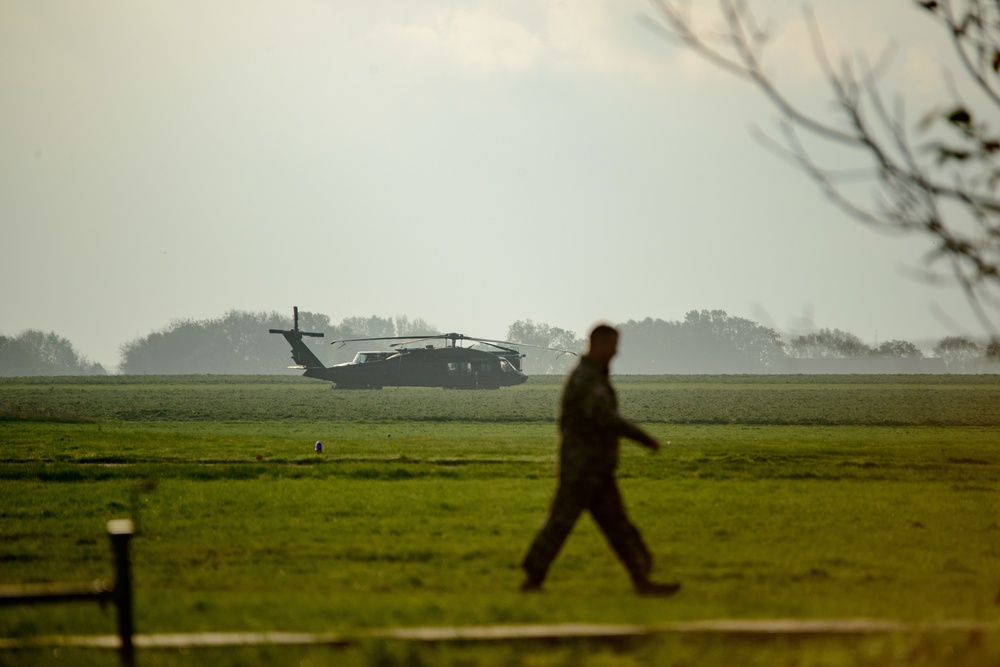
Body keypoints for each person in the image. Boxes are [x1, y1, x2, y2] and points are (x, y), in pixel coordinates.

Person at [520, 323, 680, 596]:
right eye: (613, 345)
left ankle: (642, 579)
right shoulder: (587, 379)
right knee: (563, 523)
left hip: (595, 468)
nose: (616, 352)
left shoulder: (592, 376)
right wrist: (644, 438)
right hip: (582, 469)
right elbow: (605, 418)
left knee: (617, 526)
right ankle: (533, 577)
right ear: (598, 344)